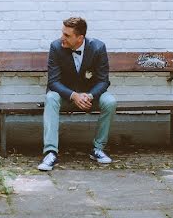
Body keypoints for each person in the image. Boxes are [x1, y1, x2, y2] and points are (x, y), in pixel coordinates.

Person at [38, 16, 117, 171]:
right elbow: (53, 82)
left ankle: (98, 149)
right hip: (65, 96)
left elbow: (103, 81)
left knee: (110, 101)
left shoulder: (98, 48)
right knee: (50, 97)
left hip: (90, 96)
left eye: (67, 35)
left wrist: (89, 95)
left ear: (80, 38)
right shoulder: (56, 47)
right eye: (62, 33)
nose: (62, 38)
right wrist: (74, 95)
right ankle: (50, 152)